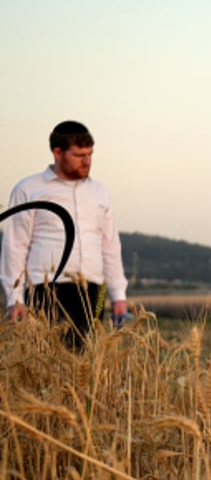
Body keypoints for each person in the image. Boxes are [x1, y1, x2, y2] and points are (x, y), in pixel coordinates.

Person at [1, 121, 129, 347]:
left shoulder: (99, 192)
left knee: (89, 361)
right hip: (46, 290)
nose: (87, 161)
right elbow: (15, 246)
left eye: (90, 154)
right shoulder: (29, 189)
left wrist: (118, 295)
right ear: (58, 153)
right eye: (79, 155)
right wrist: (15, 298)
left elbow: (110, 246)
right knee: (47, 360)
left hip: (94, 290)